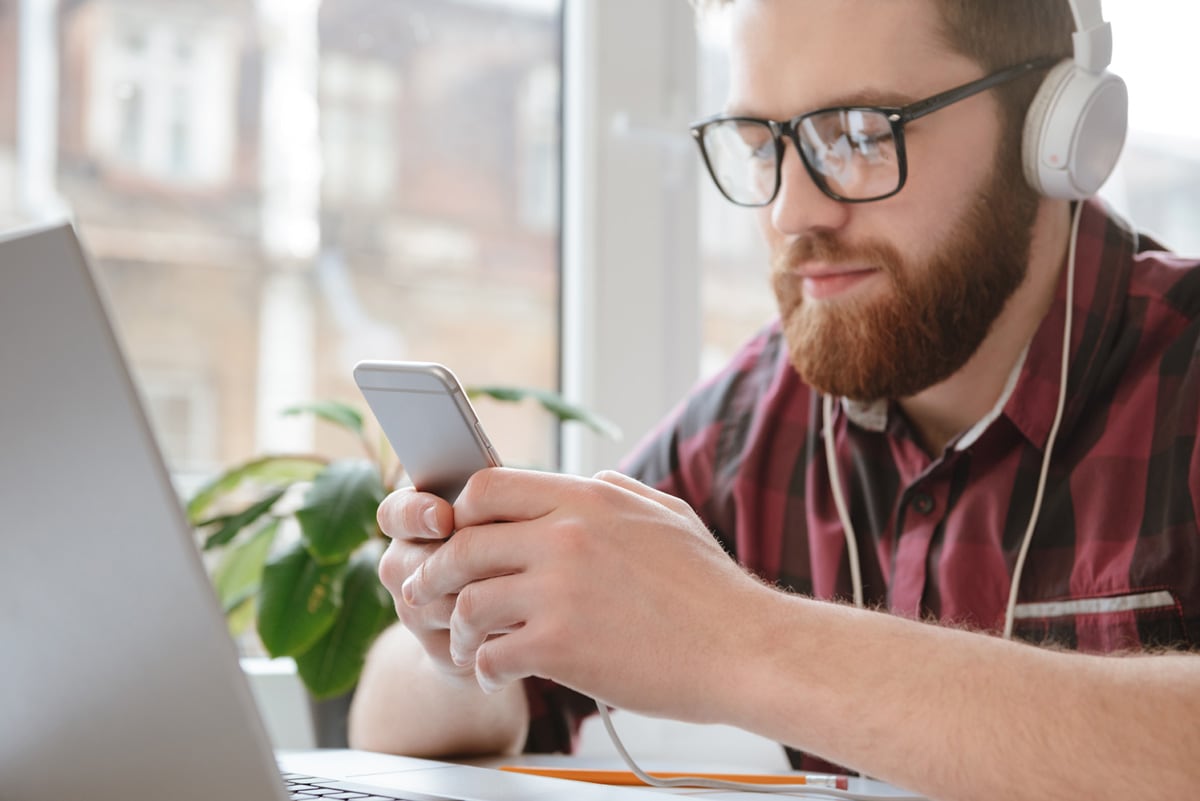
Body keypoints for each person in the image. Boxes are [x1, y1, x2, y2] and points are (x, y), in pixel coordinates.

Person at [348, 1, 1200, 799]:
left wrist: (736, 635)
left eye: (861, 134)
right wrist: (456, 645)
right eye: (762, 145)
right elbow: (389, 718)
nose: (793, 212)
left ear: (1051, 133)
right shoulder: (750, 422)